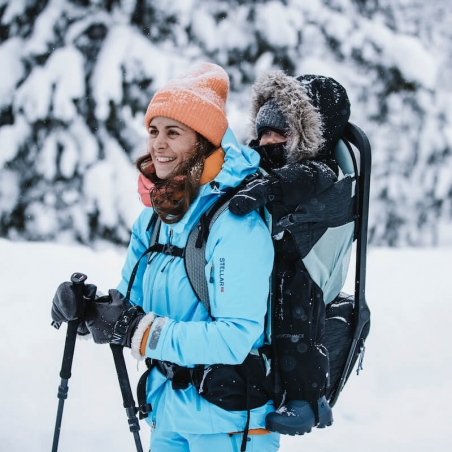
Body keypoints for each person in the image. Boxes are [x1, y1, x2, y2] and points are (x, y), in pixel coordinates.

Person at [51, 62, 280, 452]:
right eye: (154, 131)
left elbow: (234, 338)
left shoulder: (236, 224)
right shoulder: (153, 221)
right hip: (167, 416)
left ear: (203, 142)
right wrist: (89, 311)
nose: (158, 144)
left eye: (174, 133)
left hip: (230, 426)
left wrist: (139, 330)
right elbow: (129, 308)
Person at [228, 71, 353, 435]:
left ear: (307, 136)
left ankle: (308, 400)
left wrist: (270, 186)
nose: (267, 142)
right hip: (277, 257)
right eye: (262, 132)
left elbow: (303, 178)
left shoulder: (323, 169)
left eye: (279, 134)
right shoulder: (263, 161)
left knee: (292, 305)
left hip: (307, 275)